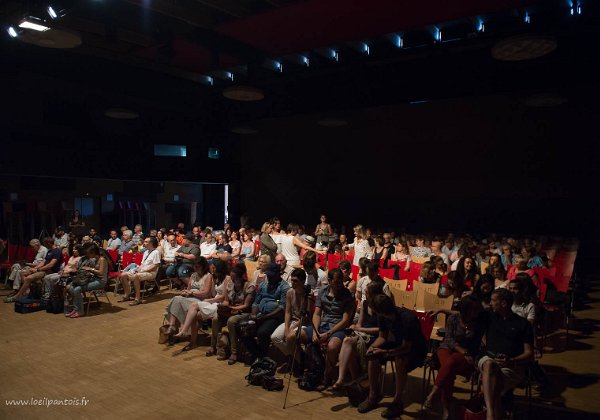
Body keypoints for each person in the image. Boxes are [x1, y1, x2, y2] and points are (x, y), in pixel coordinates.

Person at [357, 294, 427, 418]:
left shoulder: (407, 319)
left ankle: (397, 401)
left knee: (399, 359)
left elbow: (406, 348)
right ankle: (373, 396)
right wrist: (372, 347)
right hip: (399, 344)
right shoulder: (382, 316)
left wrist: (385, 352)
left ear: (381, 311)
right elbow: (382, 337)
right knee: (373, 355)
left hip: (416, 349)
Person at [424, 296, 485, 418]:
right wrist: (463, 351)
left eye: (475, 309)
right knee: (449, 369)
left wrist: (466, 353)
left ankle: (433, 395)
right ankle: (446, 409)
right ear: (465, 310)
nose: (475, 312)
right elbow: (449, 340)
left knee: (450, 364)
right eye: (472, 309)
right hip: (447, 348)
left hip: (465, 354)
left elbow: (476, 343)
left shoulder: (478, 322)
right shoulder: (453, 318)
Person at [479, 288, 534, 420]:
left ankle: (492, 413)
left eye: (493, 300)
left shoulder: (523, 324)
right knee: (489, 364)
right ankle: (491, 415)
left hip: (512, 366)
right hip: (489, 358)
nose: (490, 303)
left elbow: (529, 353)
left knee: (494, 384)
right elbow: (465, 312)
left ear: (503, 303)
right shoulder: (490, 316)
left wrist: (512, 360)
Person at [301, 268, 356, 390]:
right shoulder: (322, 291)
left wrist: (328, 333)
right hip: (323, 325)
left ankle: (327, 376)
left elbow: (345, 320)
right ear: (330, 281)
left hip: (338, 327)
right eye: (336, 282)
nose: (340, 284)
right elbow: (317, 314)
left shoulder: (348, 295)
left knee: (332, 347)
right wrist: (316, 331)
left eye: (341, 281)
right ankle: (312, 368)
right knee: (300, 335)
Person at [332, 281, 382, 391]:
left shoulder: (381, 306)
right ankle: (347, 380)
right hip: (363, 333)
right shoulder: (365, 304)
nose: (365, 295)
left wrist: (360, 329)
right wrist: (355, 327)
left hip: (376, 337)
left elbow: (381, 330)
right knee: (347, 342)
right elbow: (360, 323)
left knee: (348, 347)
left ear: (374, 294)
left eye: (367, 293)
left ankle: (353, 380)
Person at [175, 260, 231, 351]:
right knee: (193, 307)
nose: (211, 269)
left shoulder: (227, 278)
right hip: (214, 301)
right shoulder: (216, 277)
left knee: (194, 313)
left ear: (218, 268)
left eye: (213, 267)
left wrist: (209, 300)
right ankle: (186, 332)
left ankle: (188, 335)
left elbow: (224, 297)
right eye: (211, 267)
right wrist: (211, 285)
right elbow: (213, 293)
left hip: (221, 304)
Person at [242, 262, 290, 360]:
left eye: (271, 276)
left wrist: (263, 318)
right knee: (243, 328)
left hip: (274, 317)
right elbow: (256, 302)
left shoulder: (284, 287)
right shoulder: (263, 284)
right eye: (268, 275)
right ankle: (257, 354)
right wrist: (254, 314)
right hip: (260, 314)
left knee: (262, 332)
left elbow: (281, 308)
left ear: (278, 274)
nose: (269, 278)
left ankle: (261, 357)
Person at [214, 264, 255, 365]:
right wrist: (222, 306)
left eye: (234, 278)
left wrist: (232, 308)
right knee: (215, 318)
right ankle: (214, 346)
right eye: (231, 278)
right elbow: (227, 301)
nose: (232, 280)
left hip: (245, 313)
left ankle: (234, 352)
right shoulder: (230, 284)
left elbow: (246, 305)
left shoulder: (249, 286)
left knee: (231, 321)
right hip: (231, 310)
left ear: (241, 277)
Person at [270, 269, 309, 373]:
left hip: (303, 323)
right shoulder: (290, 292)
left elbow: (305, 317)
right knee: (275, 337)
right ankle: (294, 358)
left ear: (303, 281)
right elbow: (287, 312)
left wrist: (290, 329)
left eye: (296, 281)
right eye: (292, 280)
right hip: (292, 321)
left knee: (289, 337)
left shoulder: (308, 294)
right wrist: (287, 327)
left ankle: (298, 363)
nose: (293, 283)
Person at [165, 257, 214, 337]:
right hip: (191, 297)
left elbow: (206, 293)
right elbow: (188, 289)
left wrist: (192, 293)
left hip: (202, 299)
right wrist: (185, 292)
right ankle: (172, 326)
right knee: (177, 299)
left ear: (203, 266)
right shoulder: (193, 275)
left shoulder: (208, 276)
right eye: (194, 266)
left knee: (176, 300)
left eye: (197, 266)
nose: (195, 268)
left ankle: (173, 326)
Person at [5, 238, 61, 303]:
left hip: (49, 271)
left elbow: (51, 265)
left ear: (48, 244)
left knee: (28, 278)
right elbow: (43, 262)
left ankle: (17, 297)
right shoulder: (49, 251)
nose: (44, 246)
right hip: (42, 269)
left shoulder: (57, 251)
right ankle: (27, 291)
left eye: (45, 244)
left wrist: (38, 269)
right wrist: (35, 268)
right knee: (22, 273)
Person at [66, 244, 108, 318]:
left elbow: (101, 273)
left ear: (93, 252)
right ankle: (76, 309)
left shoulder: (102, 259)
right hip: (94, 278)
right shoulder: (94, 259)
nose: (87, 255)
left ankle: (80, 311)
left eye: (88, 253)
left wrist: (90, 269)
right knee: (71, 287)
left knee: (77, 289)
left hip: (100, 281)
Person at [118, 236, 161, 305]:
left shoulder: (156, 252)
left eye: (146, 242)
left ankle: (137, 299)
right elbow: (142, 264)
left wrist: (144, 271)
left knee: (136, 276)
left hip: (151, 272)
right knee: (123, 275)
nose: (144, 243)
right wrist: (138, 270)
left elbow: (155, 266)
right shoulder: (146, 252)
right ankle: (127, 295)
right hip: (142, 271)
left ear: (151, 243)